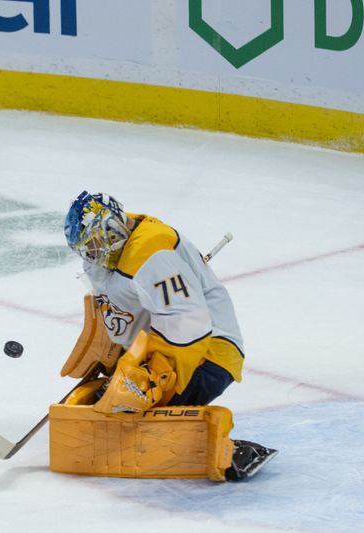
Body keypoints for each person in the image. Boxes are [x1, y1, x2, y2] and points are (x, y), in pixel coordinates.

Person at [62, 191, 276, 480]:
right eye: (85, 247)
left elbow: (188, 325)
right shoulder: (108, 250)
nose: (91, 253)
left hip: (208, 353)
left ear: (112, 228)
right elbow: (113, 304)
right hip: (157, 348)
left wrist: (153, 380)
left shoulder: (152, 253)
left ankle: (231, 450)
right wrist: (113, 351)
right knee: (107, 406)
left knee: (129, 418)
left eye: (94, 243)